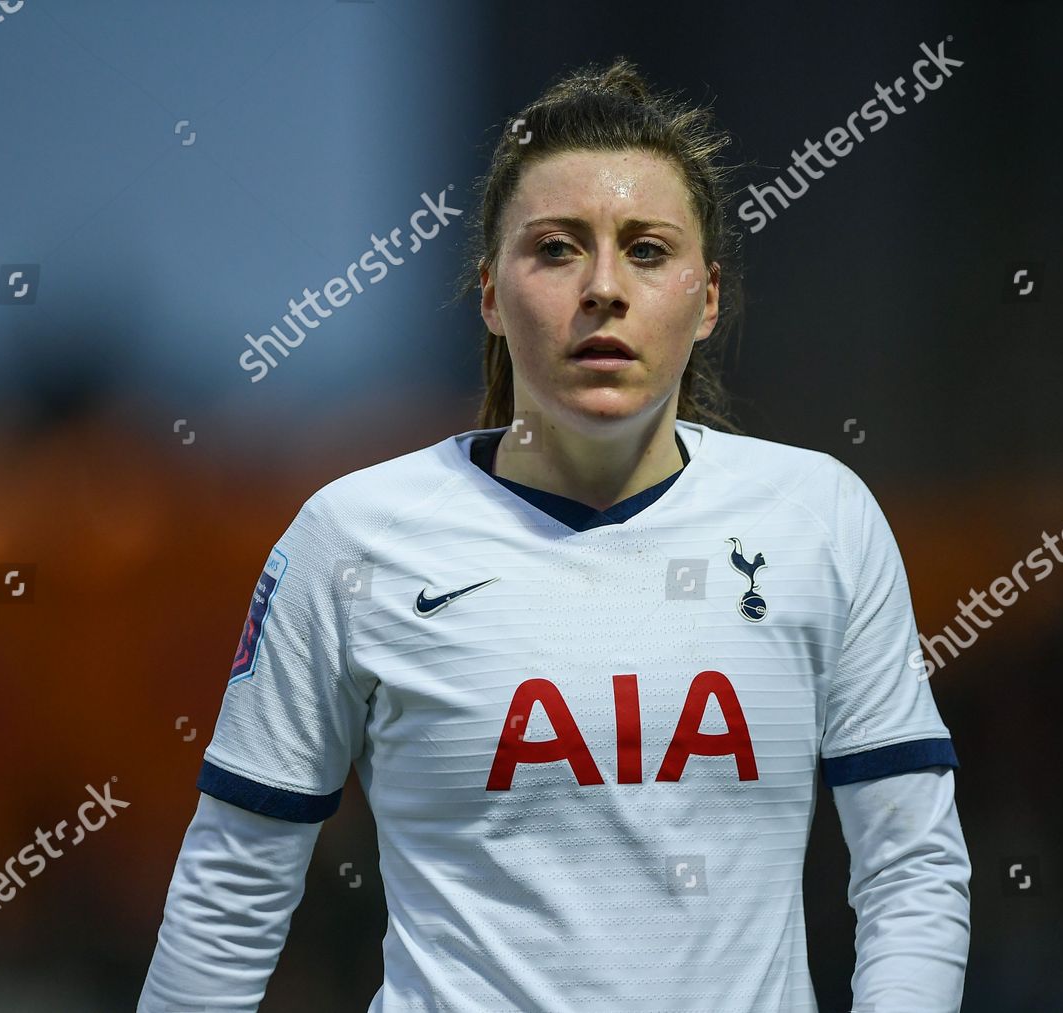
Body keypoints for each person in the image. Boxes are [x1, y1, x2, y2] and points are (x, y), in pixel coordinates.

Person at [139, 56, 970, 1012]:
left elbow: (912, 868)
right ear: (491, 294)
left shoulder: (820, 518)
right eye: (557, 248)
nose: (604, 287)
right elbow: (233, 887)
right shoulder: (352, 539)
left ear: (706, 299)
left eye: (648, 249)